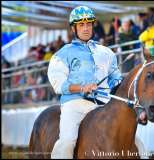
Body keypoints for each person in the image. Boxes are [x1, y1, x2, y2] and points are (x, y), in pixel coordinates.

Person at [48, 6, 122, 158]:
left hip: (103, 104)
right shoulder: (62, 54)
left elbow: (115, 79)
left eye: (89, 24)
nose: (86, 28)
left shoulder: (107, 53)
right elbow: (58, 84)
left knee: (136, 142)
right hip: (74, 105)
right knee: (67, 142)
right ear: (73, 28)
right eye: (81, 25)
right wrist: (82, 88)